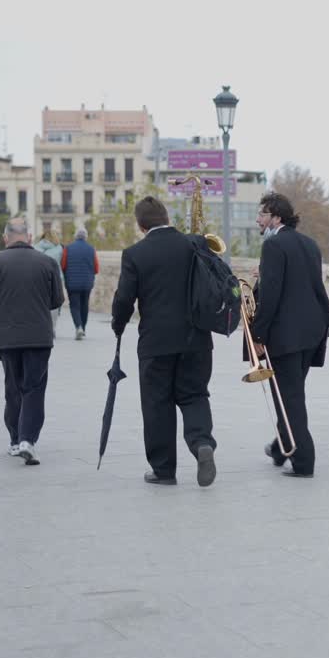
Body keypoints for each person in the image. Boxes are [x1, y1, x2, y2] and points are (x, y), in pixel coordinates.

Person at [111, 197, 217, 487]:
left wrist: (117, 325)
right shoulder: (195, 244)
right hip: (197, 338)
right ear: (166, 217)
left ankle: (163, 469)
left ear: (141, 224)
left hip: (155, 342)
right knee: (195, 394)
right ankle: (201, 444)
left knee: (157, 403)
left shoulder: (135, 253)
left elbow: (124, 299)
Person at [251, 192, 329, 478]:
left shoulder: (274, 245)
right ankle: (280, 447)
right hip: (312, 331)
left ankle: (303, 462)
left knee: (290, 400)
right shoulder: (309, 244)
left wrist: (257, 334)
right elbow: (311, 285)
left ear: (276, 217)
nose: (257, 219)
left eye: (262, 214)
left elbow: (272, 295)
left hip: (286, 335)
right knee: (292, 394)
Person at [0, 219, 65, 466]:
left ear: (5, 238)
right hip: (39, 337)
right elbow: (57, 300)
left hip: (7, 337)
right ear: (30, 237)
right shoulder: (47, 262)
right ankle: (28, 440)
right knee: (34, 388)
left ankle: (15, 440)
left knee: (13, 388)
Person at [62, 227, 99, 340]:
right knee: (84, 305)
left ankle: (78, 327)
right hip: (87, 283)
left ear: (75, 237)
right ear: (86, 237)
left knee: (74, 306)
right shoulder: (91, 249)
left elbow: (63, 265)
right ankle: (83, 328)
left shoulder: (67, 248)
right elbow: (96, 268)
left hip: (72, 283)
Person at [34, 230, 64, 338]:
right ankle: (52, 328)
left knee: (40, 303)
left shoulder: (35, 248)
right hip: (56, 278)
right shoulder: (59, 248)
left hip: (39, 278)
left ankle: (41, 327)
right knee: (55, 303)